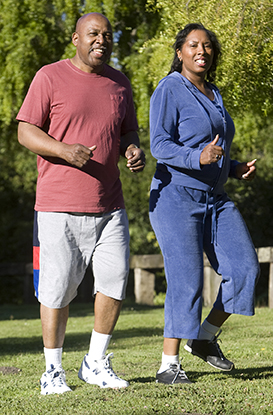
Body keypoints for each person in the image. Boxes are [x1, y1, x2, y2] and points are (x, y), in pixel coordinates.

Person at [17, 12, 145, 395]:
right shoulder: (49, 76)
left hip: (110, 206)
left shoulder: (119, 83)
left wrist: (133, 149)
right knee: (55, 291)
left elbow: (128, 130)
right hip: (58, 206)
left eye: (107, 35)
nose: (101, 40)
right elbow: (25, 130)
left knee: (114, 284)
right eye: (93, 34)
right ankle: (52, 371)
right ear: (75, 38)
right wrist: (62, 150)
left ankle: (95, 362)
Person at [149, 23, 260, 384]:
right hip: (176, 197)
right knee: (187, 280)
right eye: (193, 45)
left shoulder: (214, 92)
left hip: (215, 199)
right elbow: (159, 145)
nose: (202, 50)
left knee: (244, 268)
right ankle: (168, 365)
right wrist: (198, 157)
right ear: (180, 51)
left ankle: (204, 336)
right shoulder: (169, 89)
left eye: (208, 46)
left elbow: (216, 151)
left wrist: (234, 165)